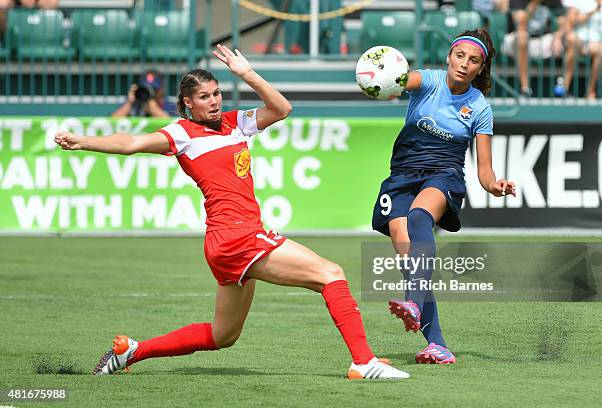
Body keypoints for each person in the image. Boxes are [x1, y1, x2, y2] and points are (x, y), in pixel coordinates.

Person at [55, 44, 409, 380]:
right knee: (330, 273)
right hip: (236, 236)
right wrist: (83, 141)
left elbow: (282, 109)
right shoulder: (182, 133)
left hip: (229, 240)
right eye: (204, 97)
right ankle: (363, 362)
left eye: (216, 93)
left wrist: (247, 72)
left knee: (223, 335)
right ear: (187, 103)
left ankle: (130, 351)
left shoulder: (234, 122)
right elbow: (131, 143)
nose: (213, 101)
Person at [371, 30, 516, 364]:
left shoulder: (480, 108)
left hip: (444, 175)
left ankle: (411, 302)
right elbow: (402, 79)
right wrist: (381, 80)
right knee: (408, 256)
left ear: (481, 68)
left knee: (420, 218)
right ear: (449, 56)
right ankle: (437, 344)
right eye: (460, 56)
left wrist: (495, 185)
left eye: (474, 60)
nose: (464, 64)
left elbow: (484, 172)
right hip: (402, 176)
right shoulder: (429, 81)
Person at [501, 0, 567, 96]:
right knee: (522, 37)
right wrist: (535, 3)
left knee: (570, 39)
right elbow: (520, 25)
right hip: (515, 39)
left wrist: (557, 37)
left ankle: (564, 88)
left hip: (541, 39)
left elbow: (565, 25)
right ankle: (525, 89)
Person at [561, 0, 602, 99]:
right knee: (573, 41)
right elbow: (572, 20)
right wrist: (594, 10)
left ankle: (590, 92)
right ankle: (564, 89)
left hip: (599, 43)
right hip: (578, 41)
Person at [112, 70, 176, 118]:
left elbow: (173, 127)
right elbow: (112, 123)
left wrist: (155, 109)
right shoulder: (134, 102)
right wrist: (129, 103)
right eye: (146, 88)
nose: (150, 91)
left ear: (161, 89)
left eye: (154, 89)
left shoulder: (169, 106)